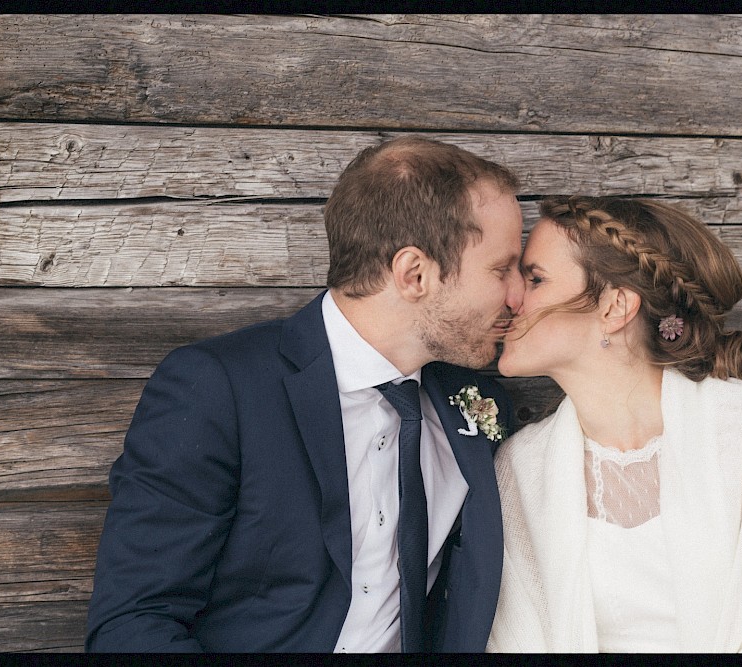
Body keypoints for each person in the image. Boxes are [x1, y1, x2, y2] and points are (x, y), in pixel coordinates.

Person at [85, 136, 526, 652]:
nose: (518, 296)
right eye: (501, 269)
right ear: (415, 274)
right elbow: (134, 624)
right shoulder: (218, 388)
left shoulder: (470, 399)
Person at [487, 196, 742, 652]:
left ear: (615, 307)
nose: (512, 297)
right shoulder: (521, 468)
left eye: (535, 278)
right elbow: (517, 638)